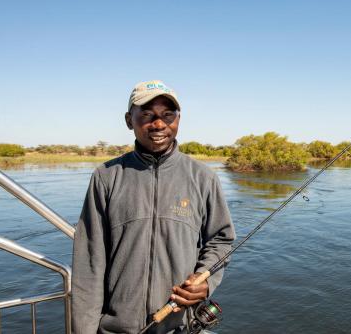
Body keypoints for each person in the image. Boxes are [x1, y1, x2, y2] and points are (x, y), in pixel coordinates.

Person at [71, 80, 236, 334]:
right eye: (147, 114)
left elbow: (221, 240)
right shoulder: (106, 176)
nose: (159, 124)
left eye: (168, 115)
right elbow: (89, 262)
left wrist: (205, 280)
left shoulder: (203, 177)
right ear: (129, 120)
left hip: (181, 326)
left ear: (179, 119)